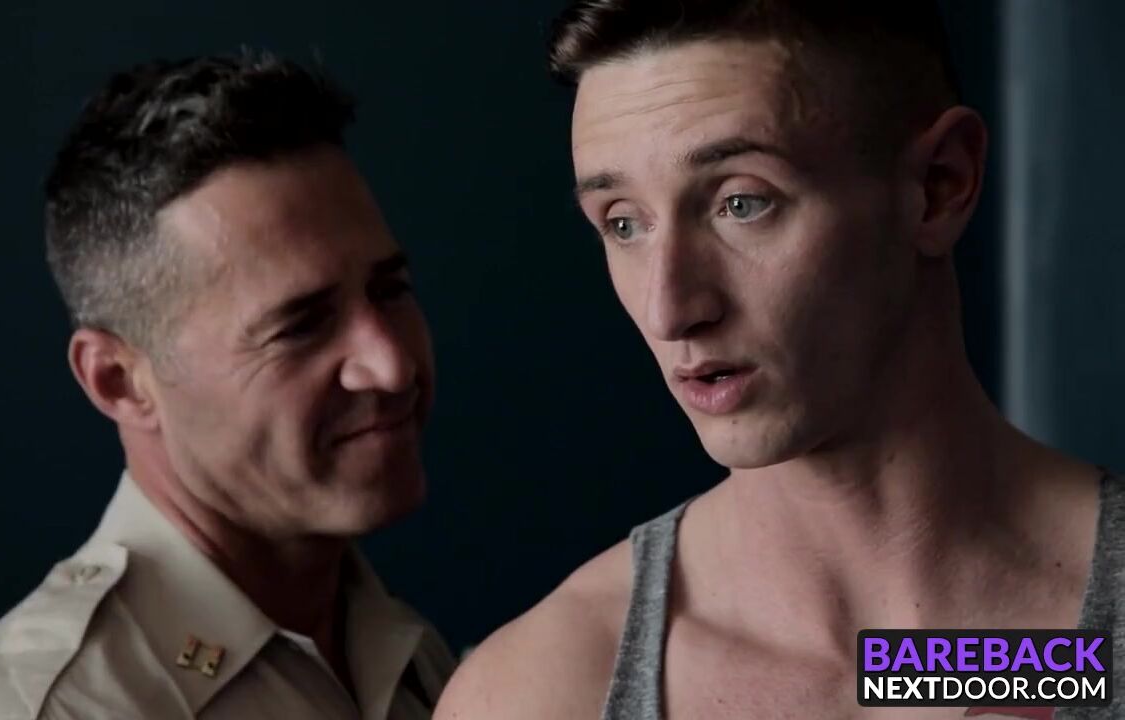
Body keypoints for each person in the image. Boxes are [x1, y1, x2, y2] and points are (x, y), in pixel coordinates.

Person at [434, 2, 1120, 718]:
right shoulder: (537, 694)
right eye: (624, 223)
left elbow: (901, 668)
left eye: (741, 203)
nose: (670, 310)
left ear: (938, 186)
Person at [0, 51, 456, 720]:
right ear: (119, 382)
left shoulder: (402, 648)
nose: (391, 365)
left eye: (390, 288)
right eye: (300, 326)